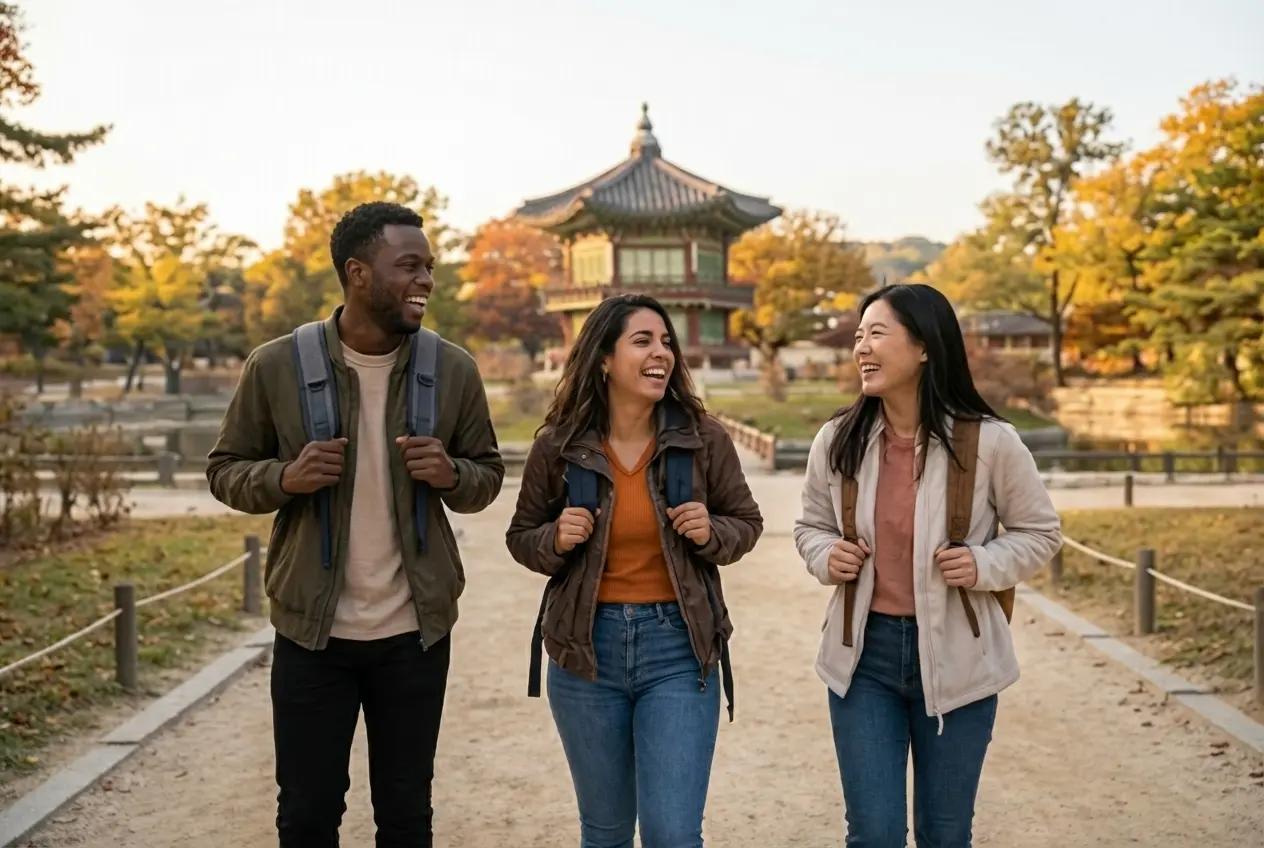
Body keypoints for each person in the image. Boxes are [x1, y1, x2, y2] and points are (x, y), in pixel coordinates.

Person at [207, 201, 504, 847]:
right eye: (409, 266)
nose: (426, 279)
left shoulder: (451, 368)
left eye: (429, 266)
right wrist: (285, 478)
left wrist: (451, 473)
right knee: (308, 814)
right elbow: (226, 470)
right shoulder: (275, 366)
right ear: (357, 273)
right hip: (312, 636)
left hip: (415, 634)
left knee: (406, 813)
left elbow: (486, 477)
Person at [794, 283, 1062, 847]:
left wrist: (984, 563)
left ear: (923, 346)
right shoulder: (837, 440)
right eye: (859, 335)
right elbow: (809, 528)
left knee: (945, 833)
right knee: (873, 833)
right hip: (862, 659)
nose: (861, 348)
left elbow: (1041, 533)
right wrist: (827, 555)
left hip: (961, 660)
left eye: (877, 333)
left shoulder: (990, 443)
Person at [506, 293, 763, 848]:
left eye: (667, 342)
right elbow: (522, 537)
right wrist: (554, 537)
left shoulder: (702, 438)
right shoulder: (559, 446)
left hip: (678, 648)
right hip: (584, 653)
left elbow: (746, 522)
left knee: (672, 833)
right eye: (643, 341)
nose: (661, 353)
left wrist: (711, 531)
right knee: (605, 833)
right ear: (603, 358)